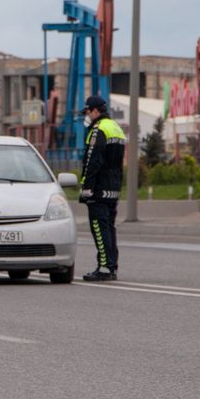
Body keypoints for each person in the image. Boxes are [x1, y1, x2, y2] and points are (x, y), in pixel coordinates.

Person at [78, 96, 126, 281]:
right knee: (109, 228)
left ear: (96, 111)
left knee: (99, 227)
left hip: (98, 188)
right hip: (113, 187)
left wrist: (87, 187)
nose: (87, 116)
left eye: (88, 112)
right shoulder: (116, 128)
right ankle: (111, 266)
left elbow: (92, 161)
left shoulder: (99, 130)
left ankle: (105, 267)